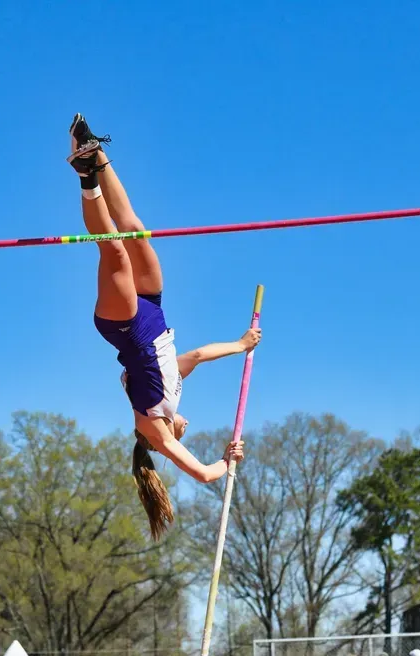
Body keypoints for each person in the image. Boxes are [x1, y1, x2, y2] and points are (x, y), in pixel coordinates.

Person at [67, 114, 261, 539]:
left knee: (114, 252)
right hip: (153, 308)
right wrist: (241, 343)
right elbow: (195, 356)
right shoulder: (171, 396)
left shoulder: (151, 427)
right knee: (135, 231)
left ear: (158, 444)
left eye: (178, 437)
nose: (184, 430)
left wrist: (227, 462)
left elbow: (204, 474)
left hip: (125, 327)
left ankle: (85, 179)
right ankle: (94, 153)